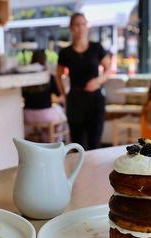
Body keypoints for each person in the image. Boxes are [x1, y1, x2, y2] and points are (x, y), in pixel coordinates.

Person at [56, 13, 111, 150]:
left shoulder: (96, 47)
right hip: (75, 100)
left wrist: (98, 81)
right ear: (71, 28)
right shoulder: (65, 52)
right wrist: (64, 95)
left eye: (83, 24)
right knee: (78, 145)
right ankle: (80, 172)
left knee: (95, 144)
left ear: (87, 26)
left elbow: (108, 69)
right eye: (76, 24)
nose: (80, 28)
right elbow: (58, 75)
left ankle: (95, 172)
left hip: (95, 100)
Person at [22, 50, 67, 142]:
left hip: (27, 115)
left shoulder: (26, 77)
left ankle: (38, 141)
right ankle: (54, 143)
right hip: (45, 116)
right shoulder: (49, 77)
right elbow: (59, 95)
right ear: (45, 61)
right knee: (61, 113)